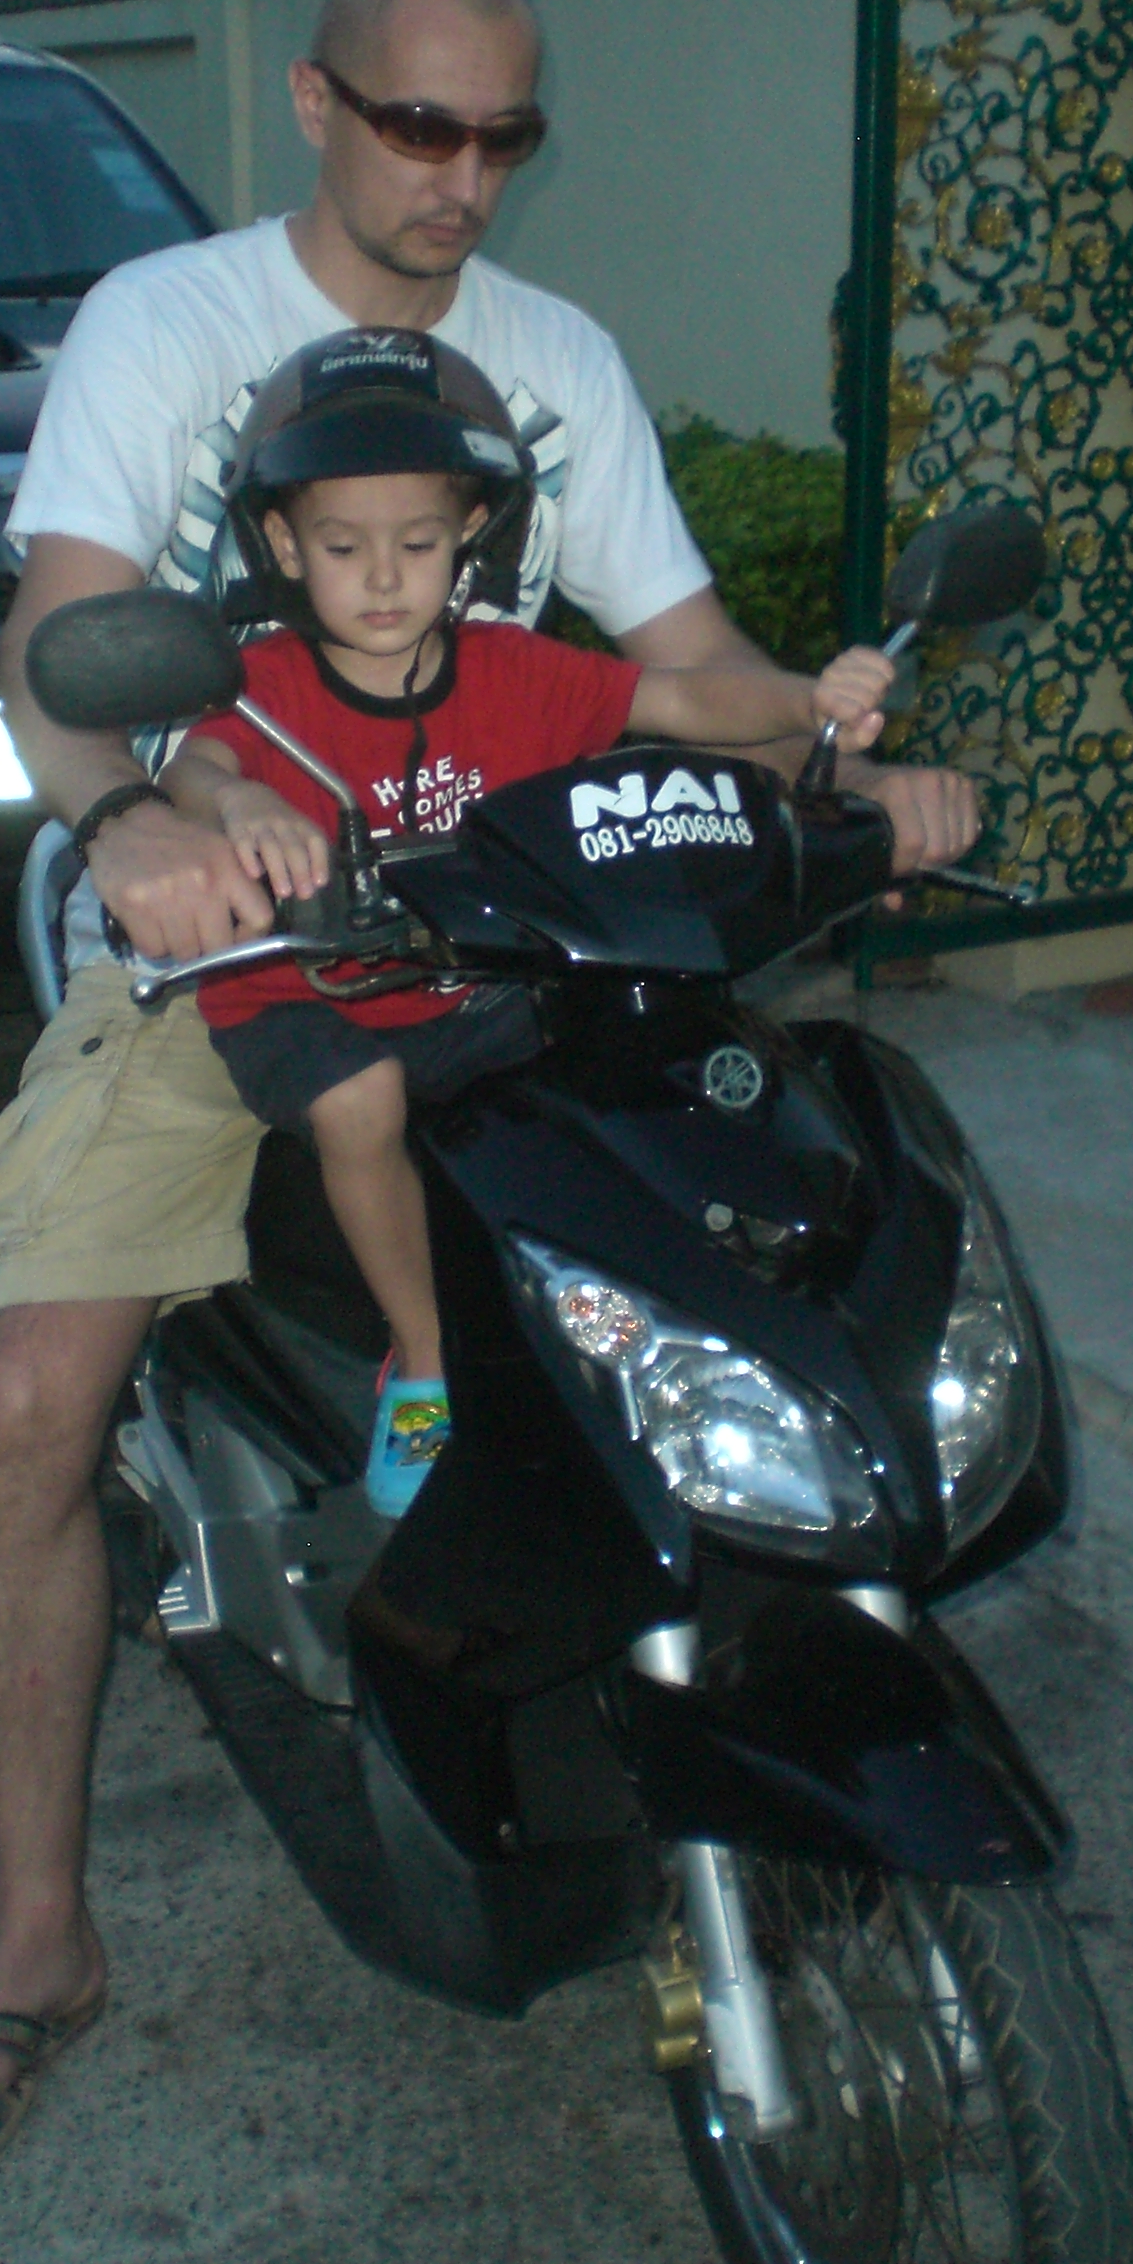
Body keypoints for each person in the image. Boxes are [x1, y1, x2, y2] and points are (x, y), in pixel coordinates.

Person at [0, 0, 978, 2183]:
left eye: (502, 134)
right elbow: (63, 631)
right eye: (416, 125)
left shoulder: (554, 357)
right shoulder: (166, 322)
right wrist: (138, 818)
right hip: (230, 938)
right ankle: (37, 1928)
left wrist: (854, 761)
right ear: (313, 102)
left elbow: (676, 659)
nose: (462, 176)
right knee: (30, 1401)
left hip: (521, 929)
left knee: (760, 1247)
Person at [170, 324, 895, 1513]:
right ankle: (423, 1356)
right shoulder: (270, 689)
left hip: (477, 985)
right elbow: (195, 766)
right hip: (307, 996)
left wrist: (804, 696)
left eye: (417, 542)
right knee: (363, 1100)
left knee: (642, 1054)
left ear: (470, 532)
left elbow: (676, 695)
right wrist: (240, 799)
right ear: (286, 546)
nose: (386, 577)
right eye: (345, 547)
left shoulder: (515, 669)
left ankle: (664, 1331)